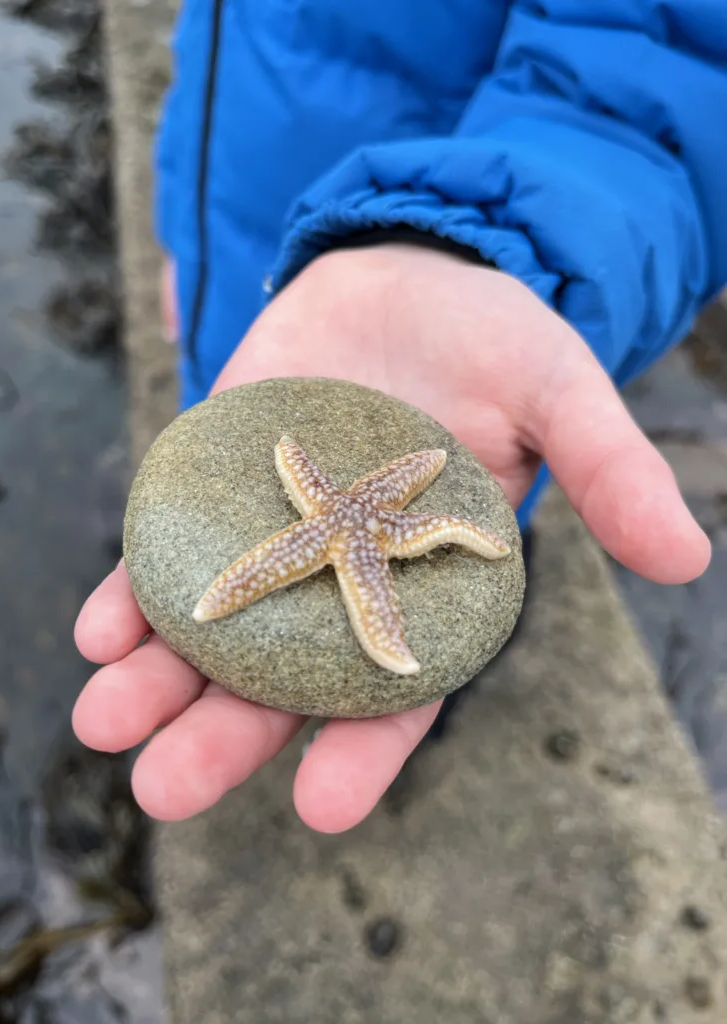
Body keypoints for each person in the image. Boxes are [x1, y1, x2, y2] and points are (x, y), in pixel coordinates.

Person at [73, 1, 726, 834]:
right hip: (252, 270)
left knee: (470, 515)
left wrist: (483, 242)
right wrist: (184, 227)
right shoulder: (329, 478)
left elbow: (670, 48)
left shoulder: (354, 507)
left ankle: (429, 672)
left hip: (471, 278)